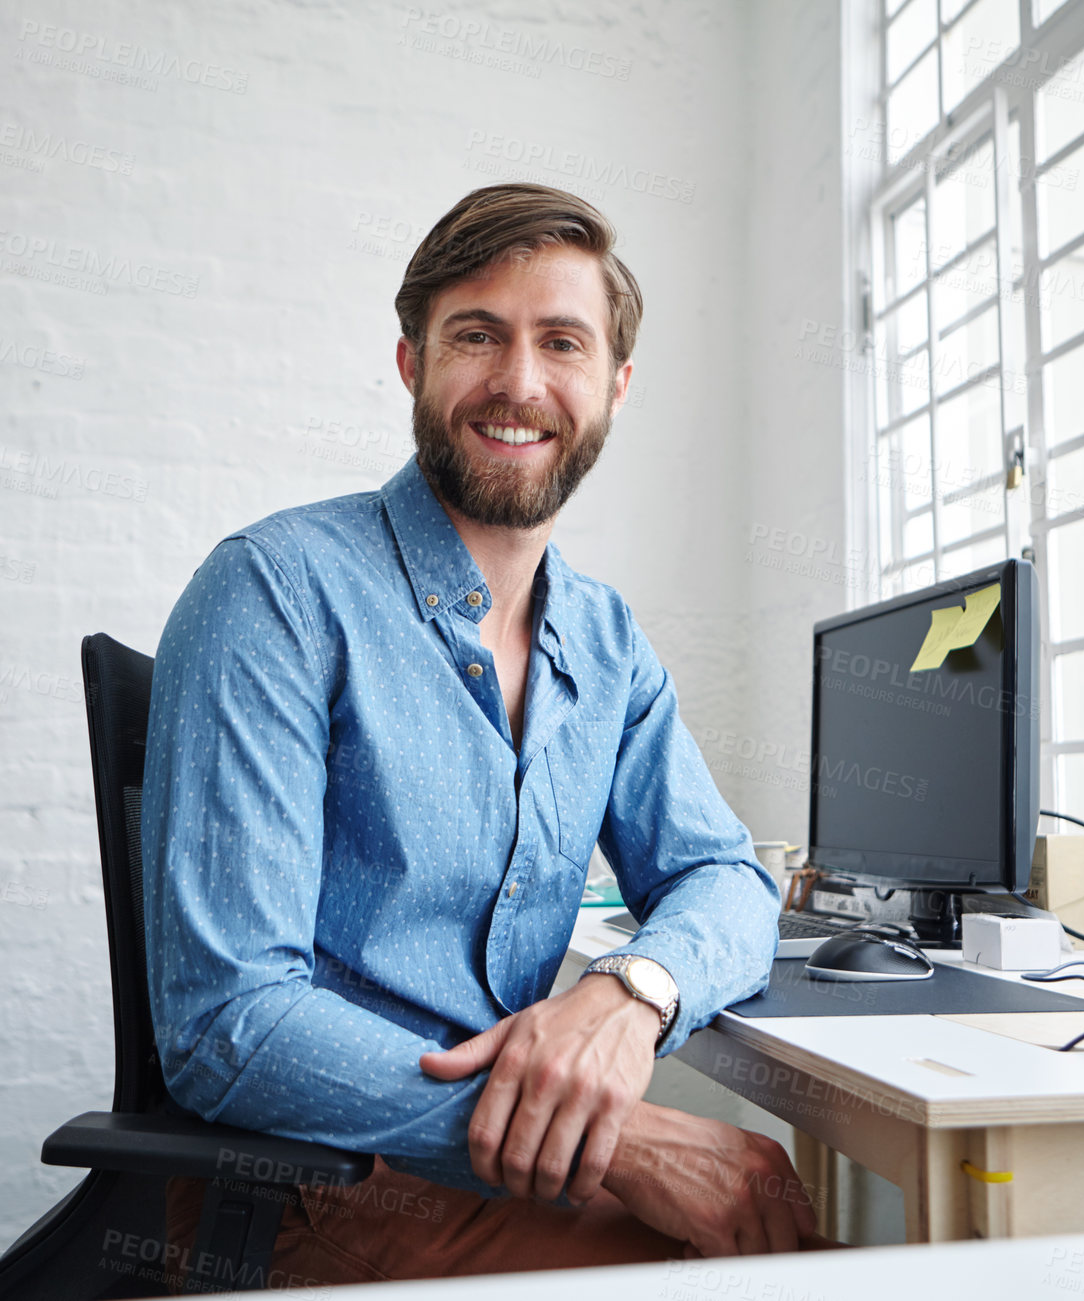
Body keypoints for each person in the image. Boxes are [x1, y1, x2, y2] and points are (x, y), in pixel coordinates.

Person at [142, 183, 818, 1286]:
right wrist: (630, 1136)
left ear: (613, 387)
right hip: (312, 1189)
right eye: (477, 336)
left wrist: (629, 991)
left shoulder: (604, 641)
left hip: (499, 1182)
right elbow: (230, 1023)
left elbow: (726, 872)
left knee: (816, 1248)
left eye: (562, 342)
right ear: (413, 361)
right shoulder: (275, 592)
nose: (519, 382)